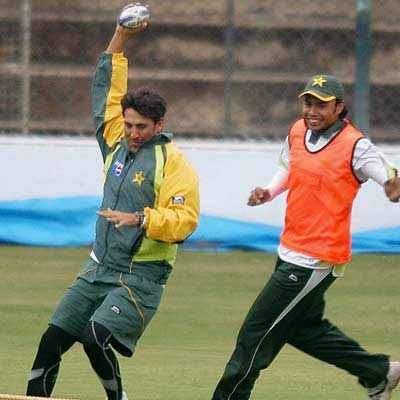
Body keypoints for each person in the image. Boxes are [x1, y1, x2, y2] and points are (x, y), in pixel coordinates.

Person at [26, 16, 200, 400]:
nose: (132, 133)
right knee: (51, 341)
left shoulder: (174, 164)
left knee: (95, 338)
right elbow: (105, 90)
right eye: (128, 125)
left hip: (142, 276)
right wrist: (119, 37)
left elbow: (185, 223)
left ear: (159, 125)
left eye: (140, 127)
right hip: (98, 266)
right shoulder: (116, 143)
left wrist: (140, 219)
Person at [212, 74, 400, 400]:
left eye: (322, 104)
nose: (312, 110)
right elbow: (290, 167)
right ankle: (378, 373)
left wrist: (392, 185)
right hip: (290, 248)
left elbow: (389, 174)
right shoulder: (298, 130)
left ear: (339, 107)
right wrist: (268, 192)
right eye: (309, 102)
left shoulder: (355, 145)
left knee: (254, 336)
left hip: (316, 258)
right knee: (303, 330)